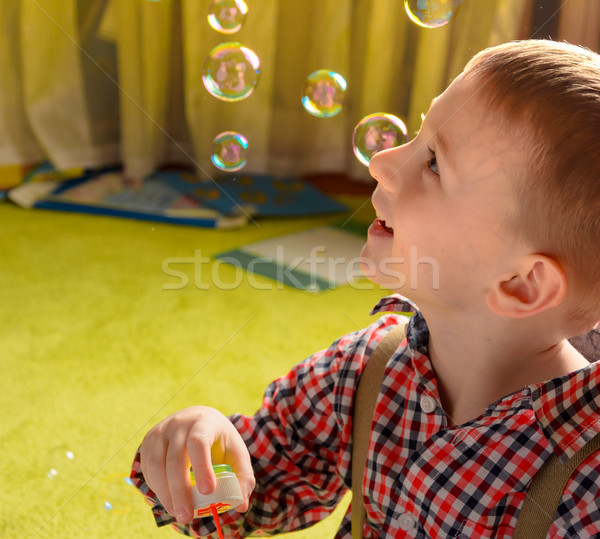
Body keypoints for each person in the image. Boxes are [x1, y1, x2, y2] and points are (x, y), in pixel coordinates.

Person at [130, 40, 600, 538]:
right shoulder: (363, 369)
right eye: (417, 134)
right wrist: (204, 444)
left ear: (521, 284)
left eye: (435, 162)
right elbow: (255, 490)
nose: (381, 162)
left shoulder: (585, 487)